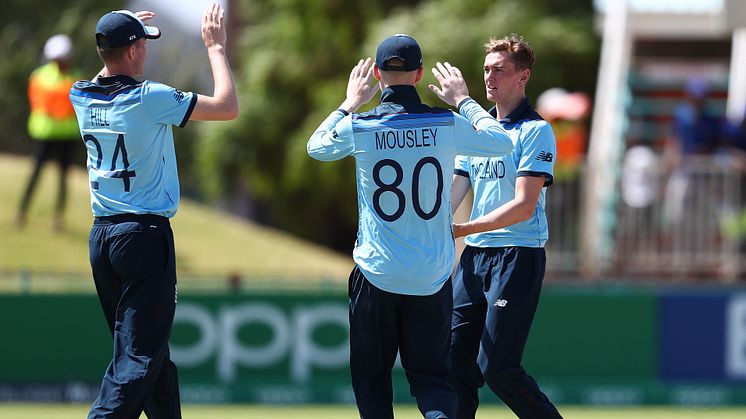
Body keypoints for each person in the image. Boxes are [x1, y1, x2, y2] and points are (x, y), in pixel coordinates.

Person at [307, 34, 515, 419]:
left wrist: (350, 103)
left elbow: (316, 146)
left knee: (372, 383)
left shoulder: (363, 125)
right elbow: (502, 142)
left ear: (377, 75)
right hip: (432, 276)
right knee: (433, 381)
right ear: (419, 74)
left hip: (377, 273)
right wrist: (464, 100)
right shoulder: (446, 122)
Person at [68, 5, 237, 418]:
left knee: (150, 357)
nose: (146, 50)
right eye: (142, 44)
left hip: (103, 239)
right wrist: (215, 48)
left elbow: (104, 66)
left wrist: (122, 25)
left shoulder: (79, 94)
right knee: (139, 358)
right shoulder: (149, 97)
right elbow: (227, 106)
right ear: (131, 51)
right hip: (142, 237)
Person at [449, 35, 562, 418]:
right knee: (453, 364)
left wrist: (463, 229)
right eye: (486, 69)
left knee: (497, 368)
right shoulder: (478, 130)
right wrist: (423, 223)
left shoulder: (535, 130)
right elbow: (453, 194)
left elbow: (523, 206)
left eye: (500, 69)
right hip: (475, 256)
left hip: (517, 255)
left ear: (523, 76)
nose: (489, 77)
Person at [16, 34, 81, 231]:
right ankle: (22, 212)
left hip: (67, 136)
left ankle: (58, 218)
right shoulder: (40, 77)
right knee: (35, 174)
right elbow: (46, 103)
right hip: (44, 134)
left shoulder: (75, 78)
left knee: (63, 177)